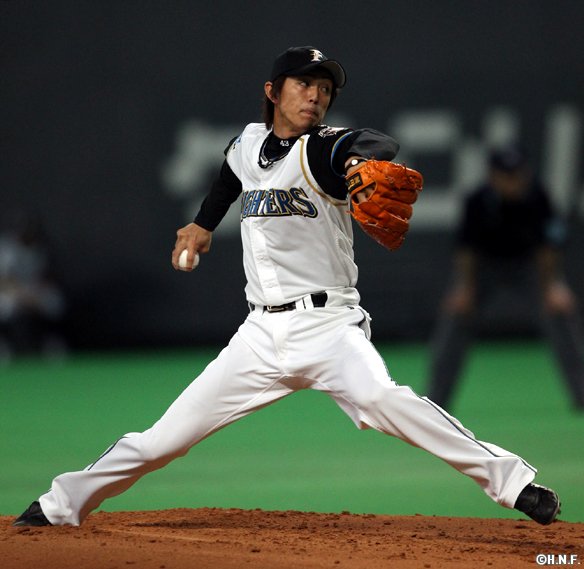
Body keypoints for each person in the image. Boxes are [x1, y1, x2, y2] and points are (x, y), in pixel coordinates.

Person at [14, 46, 560, 528]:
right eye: (304, 84)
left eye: (325, 88)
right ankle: (61, 504)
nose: (316, 96)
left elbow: (377, 141)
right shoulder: (248, 143)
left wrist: (357, 161)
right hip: (258, 336)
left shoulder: (322, 148)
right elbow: (229, 177)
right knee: (161, 442)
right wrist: (202, 224)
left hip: (329, 328)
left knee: (383, 399)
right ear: (273, 92)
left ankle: (513, 483)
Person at [428, 146, 584, 411]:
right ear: (493, 176)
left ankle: (581, 393)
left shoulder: (537, 197)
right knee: (456, 317)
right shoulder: (477, 201)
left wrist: (553, 286)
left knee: (559, 314)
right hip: (484, 268)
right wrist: (464, 289)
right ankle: (435, 400)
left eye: (517, 174)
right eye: (506, 175)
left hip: (528, 267)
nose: (513, 181)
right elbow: (467, 251)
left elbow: (548, 248)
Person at [0, 208, 67, 363]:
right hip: (11, 292)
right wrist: (23, 295)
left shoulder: (39, 248)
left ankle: (51, 343)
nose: (27, 234)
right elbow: (4, 281)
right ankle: (4, 345)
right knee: (6, 306)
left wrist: (35, 293)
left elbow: (46, 276)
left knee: (54, 302)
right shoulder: (6, 248)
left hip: (34, 291)